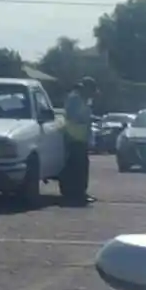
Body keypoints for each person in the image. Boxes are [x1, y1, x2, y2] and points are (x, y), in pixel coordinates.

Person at [61, 76, 95, 204]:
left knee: (79, 166)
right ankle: (78, 193)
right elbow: (75, 116)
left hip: (79, 137)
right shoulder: (76, 99)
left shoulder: (80, 99)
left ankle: (77, 192)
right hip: (75, 137)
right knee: (79, 167)